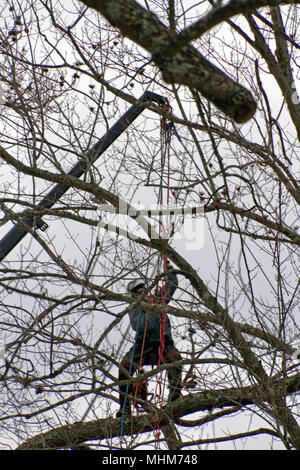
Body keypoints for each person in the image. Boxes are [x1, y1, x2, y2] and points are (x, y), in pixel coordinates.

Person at [116, 260, 182, 418]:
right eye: (137, 291)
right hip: (143, 346)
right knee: (124, 366)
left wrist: (169, 270)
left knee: (175, 359)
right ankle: (125, 407)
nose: (141, 292)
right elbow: (141, 325)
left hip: (163, 343)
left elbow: (172, 284)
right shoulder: (134, 308)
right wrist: (149, 308)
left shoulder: (159, 298)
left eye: (142, 289)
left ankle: (174, 398)